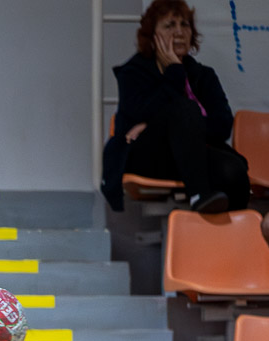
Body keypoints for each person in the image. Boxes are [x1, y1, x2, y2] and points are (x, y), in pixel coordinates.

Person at [101, 0, 249, 214]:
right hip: (146, 156)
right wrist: (174, 73)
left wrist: (175, 126)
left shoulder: (204, 76)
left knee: (233, 170)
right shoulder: (133, 73)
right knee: (183, 108)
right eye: (169, 25)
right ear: (152, 36)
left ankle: (232, 233)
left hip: (193, 156)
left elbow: (222, 126)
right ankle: (199, 194)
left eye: (184, 24)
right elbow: (139, 113)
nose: (179, 31)